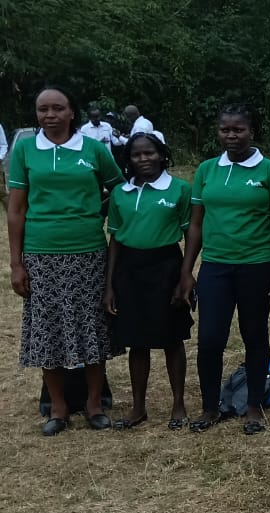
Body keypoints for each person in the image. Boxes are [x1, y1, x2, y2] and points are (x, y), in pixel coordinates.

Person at [7, 86, 124, 436]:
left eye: (58, 108)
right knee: (48, 329)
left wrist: (94, 215)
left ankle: (93, 403)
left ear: (72, 112)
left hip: (88, 251)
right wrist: (16, 263)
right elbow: (15, 209)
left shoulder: (93, 149)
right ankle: (57, 408)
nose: (50, 115)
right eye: (43, 109)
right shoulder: (26, 148)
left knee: (91, 326)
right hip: (41, 255)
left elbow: (118, 190)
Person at [182, 104, 270, 436]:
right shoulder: (206, 170)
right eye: (225, 130)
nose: (231, 135)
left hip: (257, 265)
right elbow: (196, 224)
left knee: (254, 335)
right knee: (210, 339)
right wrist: (188, 270)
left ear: (251, 132)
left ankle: (254, 406)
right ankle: (210, 406)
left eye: (238, 129)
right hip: (216, 266)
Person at [104, 133, 194, 431]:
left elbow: (191, 234)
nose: (144, 159)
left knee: (172, 338)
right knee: (136, 341)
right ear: (128, 160)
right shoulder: (120, 193)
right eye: (136, 155)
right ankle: (138, 407)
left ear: (162, 155)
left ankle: (178, 404)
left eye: (150, 153)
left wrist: (185, 275)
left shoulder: (180, 189)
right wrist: (110, 284)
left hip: (166, 266)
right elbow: (115, 237)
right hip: (129, 269)